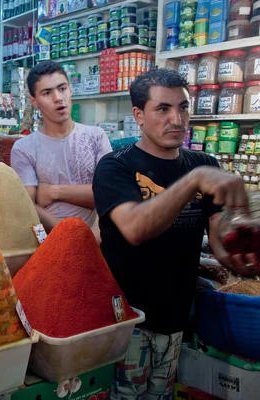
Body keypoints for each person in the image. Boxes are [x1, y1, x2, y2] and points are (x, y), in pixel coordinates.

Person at [93, 68, 259, 399]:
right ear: (138, 115)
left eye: (183, 107)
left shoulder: (203, 162)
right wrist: (194, 180)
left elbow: (217, 233)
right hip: (128, 321)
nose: (177, 119)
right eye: (163, 109)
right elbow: (135, 228)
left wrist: (240, 251)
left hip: (177, 316)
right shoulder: (116, 166)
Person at [11, 61, 112, 234]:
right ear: (34, 101)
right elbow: (28, 208)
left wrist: (53, 191)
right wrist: (71, 235)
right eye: (47, 93)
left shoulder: (96, 136)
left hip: (99, 237)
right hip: (52, 242)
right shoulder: (24, 148)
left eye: (62, 88)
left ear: (70, 89)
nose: (58, 98)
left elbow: (109, 194)